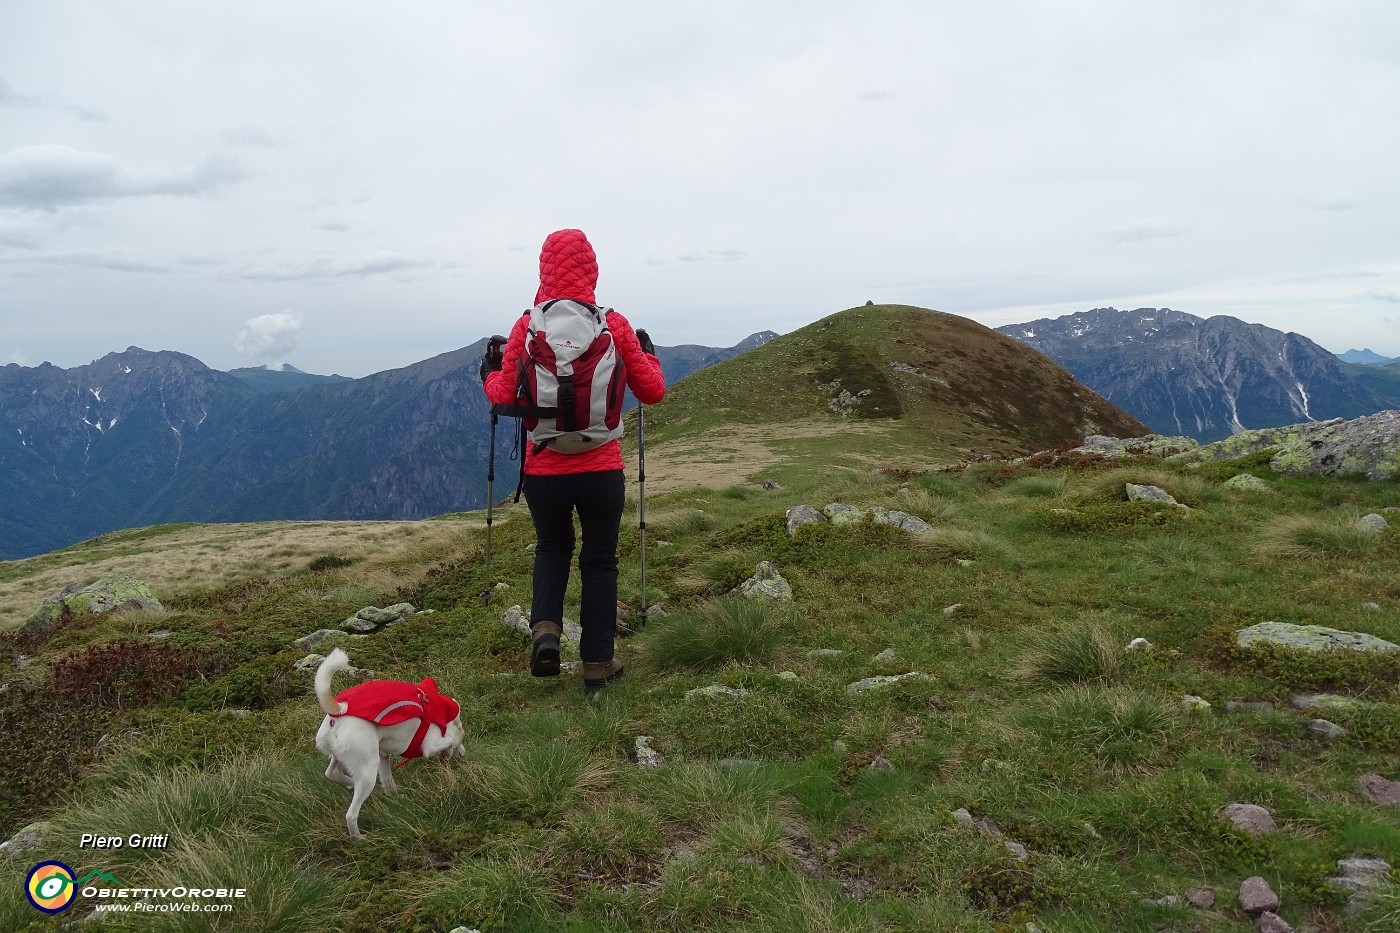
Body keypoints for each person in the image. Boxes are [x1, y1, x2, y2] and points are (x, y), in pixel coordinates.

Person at [481, 229, 666, 695]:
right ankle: (598, 664)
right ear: (592, 269)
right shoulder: (614, 325)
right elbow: (653, 392)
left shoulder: (527, 326)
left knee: (552, 547)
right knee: (600, 560)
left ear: (544, 269)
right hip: (602, 469)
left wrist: (488, 374)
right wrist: (647, 356)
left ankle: (545, 631)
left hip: (545, 469)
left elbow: (503, 396)